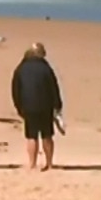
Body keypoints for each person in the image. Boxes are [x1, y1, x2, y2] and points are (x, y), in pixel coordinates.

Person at [12, 42, 64, 171]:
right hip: (45, 106)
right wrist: (57, 104)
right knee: (47, 135)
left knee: (31, 136)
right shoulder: (46, 68)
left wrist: (18, 106)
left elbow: (15, 89)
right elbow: (53, 87)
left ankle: (32, 163)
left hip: (28, 106)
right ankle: (49, 163)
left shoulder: (21, 68)